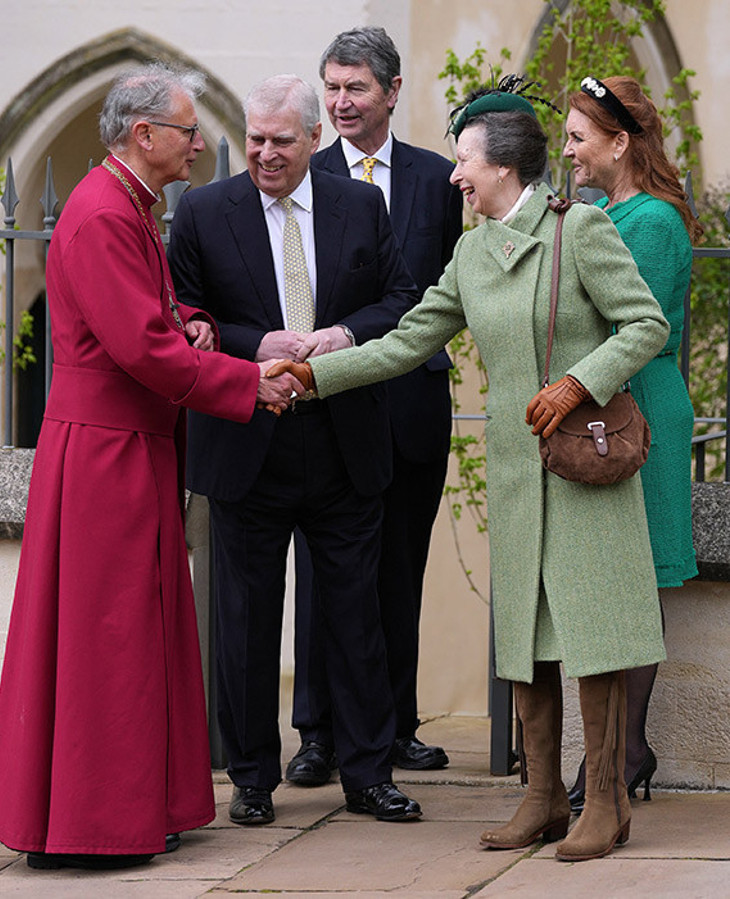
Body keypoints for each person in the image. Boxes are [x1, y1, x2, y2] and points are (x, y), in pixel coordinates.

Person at [268, 76, 671, 862]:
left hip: (583, 466)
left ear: (504, 166)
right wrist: (319, 373)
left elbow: (646, 324)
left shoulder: (579, 232)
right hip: (522, 473)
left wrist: (578, 381)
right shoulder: (472, 250)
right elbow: (410, 340)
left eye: (464, 161)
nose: (453, 174)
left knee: (591, 634)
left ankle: (609, 802)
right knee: (525, 634)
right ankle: (542, 796)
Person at [0, 63, 304, 871]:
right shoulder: (99, 214)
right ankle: (93, 820)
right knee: (107, 635)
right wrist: (247, 381)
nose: (199, 143)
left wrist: (193, 322)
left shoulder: (126, 205)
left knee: (140, 630)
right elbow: (136, 348)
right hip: (102, 452)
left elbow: (156, 315)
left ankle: (137, 806)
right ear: (144, 134)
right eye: (189, 130)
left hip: (128, 446)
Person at [167, 74, 422, 825]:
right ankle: (251, 778)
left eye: (282, 139)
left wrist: (343, 334)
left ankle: (369, 773)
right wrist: (257, 344)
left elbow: (401, 300)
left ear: (315, 138)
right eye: (255, 138)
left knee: (356, 618)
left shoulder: (360, 204)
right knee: (244, 623)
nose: (265, 153)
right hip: (248, 444)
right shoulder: (207, 211)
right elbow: (185, 309)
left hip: (344, 441)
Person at [285, 25, 463, 788]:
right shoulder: (302, 172)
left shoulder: (438, 178)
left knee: (399, 570)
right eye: (331, 86)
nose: (340, 100)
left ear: (392, 92)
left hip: (414, 404)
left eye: (356, 87)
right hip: (333, 408)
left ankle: (394, 728)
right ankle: (319, 734)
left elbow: (447, 289)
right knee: (327, 574)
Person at [562, 75, 701, 814]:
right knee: (613, 579)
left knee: (632, 578)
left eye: (580, 138)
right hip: (605, 403)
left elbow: (625, 331)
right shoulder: (600, 210)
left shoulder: (651, 222)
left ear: (620, 142)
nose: (570, 152)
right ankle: (620, 751)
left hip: (635, 407)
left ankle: (625, 748)